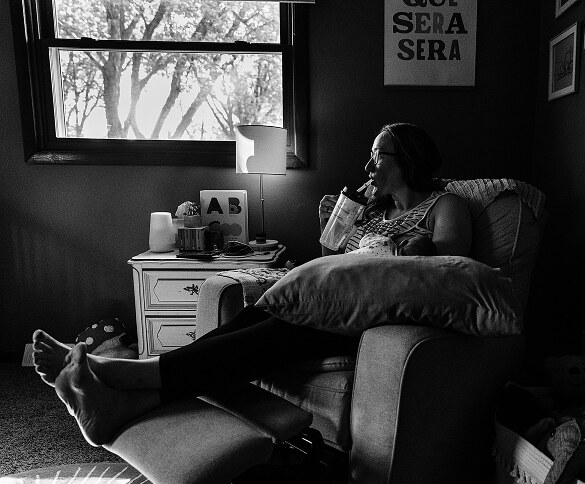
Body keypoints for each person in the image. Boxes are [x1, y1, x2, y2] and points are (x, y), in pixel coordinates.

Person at [32, 122, 473, 447]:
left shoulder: (445, 205)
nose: (367, 165)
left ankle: (124, 372)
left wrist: (405, 248)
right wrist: (332, 226)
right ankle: (126, 404)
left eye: (378, 155)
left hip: (371, 313)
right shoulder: (374, 210)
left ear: (408, 159)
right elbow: (330, 262)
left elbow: (449, 270)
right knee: (251, 321)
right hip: (331, 298)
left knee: (276, 330)